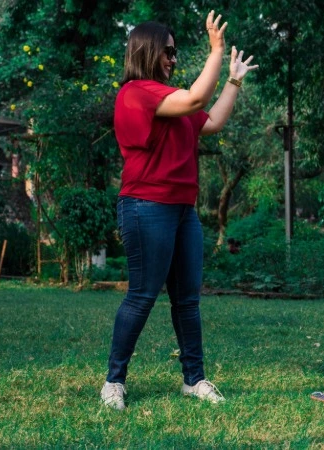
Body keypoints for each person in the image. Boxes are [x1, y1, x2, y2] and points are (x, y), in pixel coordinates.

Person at [101, 12, 258, 411]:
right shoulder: (136, 93)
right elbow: (196, 98)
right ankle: (113, 382)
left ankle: (194, 379)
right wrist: (217, 50)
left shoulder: (171, 102)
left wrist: (234, 80)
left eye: (175, 51)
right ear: (148, 51)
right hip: (145, 206)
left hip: (182, 211)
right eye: (168, 51)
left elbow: (212, 120)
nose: (173, 58)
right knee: (141, 296)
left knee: (187, 301)